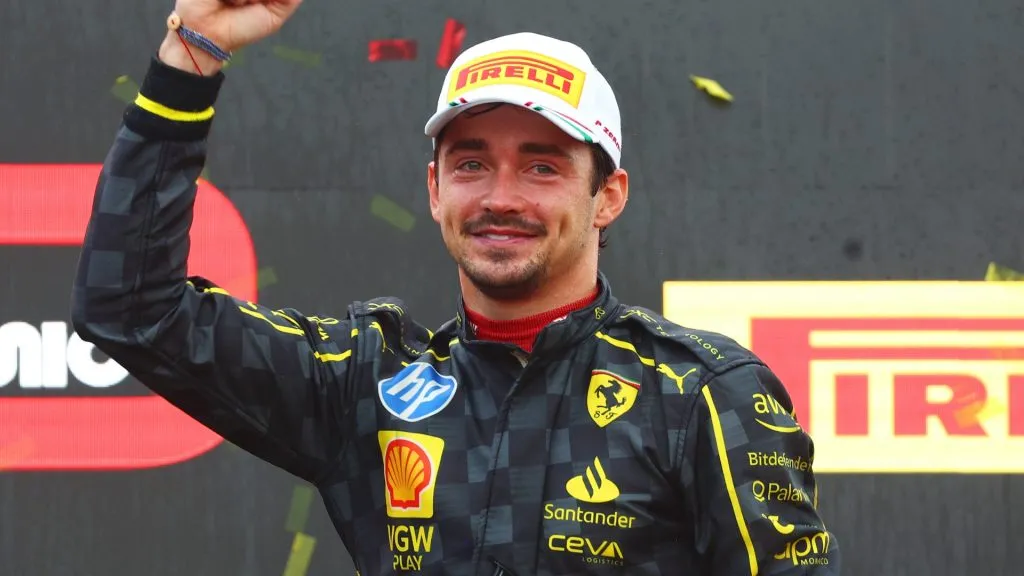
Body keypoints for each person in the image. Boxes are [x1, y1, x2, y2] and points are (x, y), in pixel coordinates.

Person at [71, 0, 841, 574]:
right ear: (435, 189)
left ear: (607, 196)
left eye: (542, 166)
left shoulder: (701, 393)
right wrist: (191, 54)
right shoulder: (367, 383)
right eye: (472, 163)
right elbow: (131, 310)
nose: (501, 197)